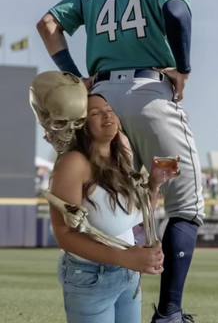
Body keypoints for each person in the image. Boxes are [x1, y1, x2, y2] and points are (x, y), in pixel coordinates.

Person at [37, 0, 204, 321]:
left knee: (102, 198)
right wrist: (183, 67)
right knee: (187, 206)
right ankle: (169, 314)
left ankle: (102, 283)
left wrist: (75, 75)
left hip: (101, 98)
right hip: (149, 92)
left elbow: (48, 25)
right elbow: (176, 11)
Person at [51, 93, 179, 323]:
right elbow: (65, 235)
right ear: (81, 124)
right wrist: (125, 258)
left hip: (127, 275)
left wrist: (155, 184)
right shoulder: (73, 163)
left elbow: (133, 216)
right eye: (95, 113)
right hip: (91, 277)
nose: (106, 114)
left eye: (109, 108)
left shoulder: (122, 153)